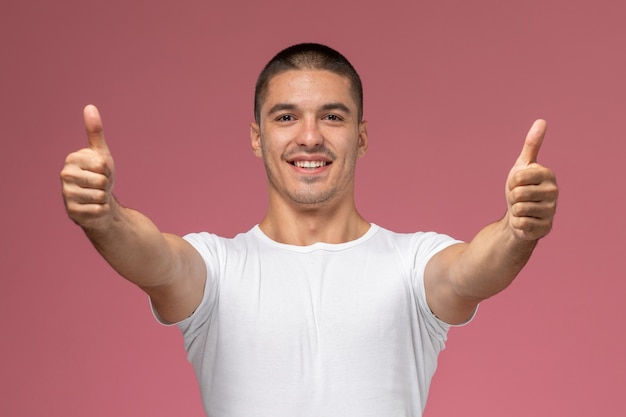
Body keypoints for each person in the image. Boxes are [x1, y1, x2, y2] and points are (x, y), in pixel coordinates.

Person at [60, 43, 558, 416]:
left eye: (332, 116)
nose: (310, 136)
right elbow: (154, 259)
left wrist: (518, 229)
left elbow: (473, 270)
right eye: (286, 116)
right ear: (258, 137)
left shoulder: (412, 264)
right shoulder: (216, 269)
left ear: (361, 136)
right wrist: (106, 217)